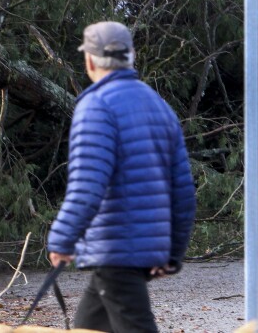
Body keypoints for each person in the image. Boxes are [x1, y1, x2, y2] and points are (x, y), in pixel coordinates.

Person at [47, 21, 196, 333]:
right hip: (126, 253)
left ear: (89, 60)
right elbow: (183, 193)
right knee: (89, 327)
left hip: (115, 249)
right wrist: (172, 253)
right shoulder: (159, 106)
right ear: (132, 56)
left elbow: (87, 187)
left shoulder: (96, 105)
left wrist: (62, 239)